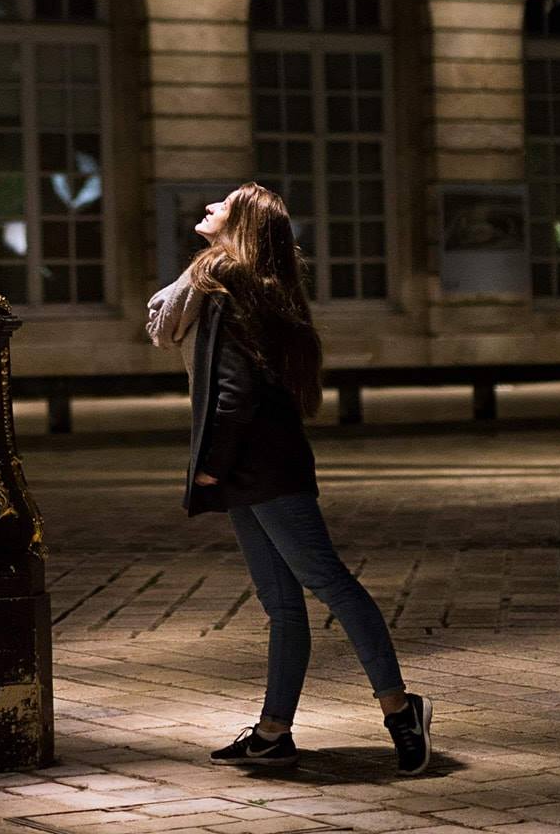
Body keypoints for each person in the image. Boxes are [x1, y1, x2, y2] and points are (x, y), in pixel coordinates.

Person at [146, 183, 433, 776]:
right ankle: (275, 731)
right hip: (258, 465)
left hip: (261, 467)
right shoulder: (250, 287)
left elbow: (233, 394)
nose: (207, 208)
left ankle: (402, 708)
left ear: (242, 224)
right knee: (283, 603)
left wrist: (208, 466)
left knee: (329, 583)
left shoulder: (229, 290)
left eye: (220, 205)